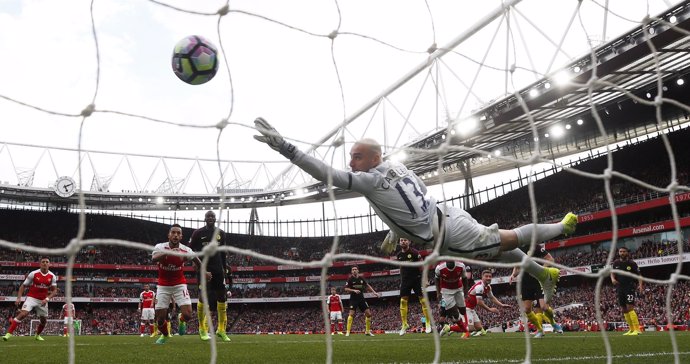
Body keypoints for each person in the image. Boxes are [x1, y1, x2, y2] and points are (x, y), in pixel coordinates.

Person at [253, 118, 577, 304]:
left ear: (375, 158)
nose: (351, 163)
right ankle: (541, 272)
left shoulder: (369, 181)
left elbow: (328, 175)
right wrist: (395, 231)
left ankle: (563, 226)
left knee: (508, 239)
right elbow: (404, 202)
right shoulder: (396, 167)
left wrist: (286, 148)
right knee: (497, 253)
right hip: (447, 215)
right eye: (351, 156)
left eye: (357, 156)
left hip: (446, 234)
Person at [152, 223, 211, 344]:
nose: (175, 235)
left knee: (188, 315)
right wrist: (169, 253)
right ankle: (165, 335)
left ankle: (181, 319)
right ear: (169, 235)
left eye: (178, 233)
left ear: (181, 236)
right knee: (160, 319)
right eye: (173, 232)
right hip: (163, 285)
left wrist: (204, 271)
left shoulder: (185, 250)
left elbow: (196, 259)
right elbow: (154, 258)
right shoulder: (160, 247)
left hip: (179, 284)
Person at [189, 210, 232, 342]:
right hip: (204, 268)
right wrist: (194, 263)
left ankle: (221, 330)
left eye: (213, 216)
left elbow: (223, 253)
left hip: (218, 269)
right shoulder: (198, 233)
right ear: (205, 218)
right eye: (208, 216)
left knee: (221, 298)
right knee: (203, 298)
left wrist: (224, 268)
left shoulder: (221, 233)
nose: (211, 218)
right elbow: (189, 250)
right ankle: (202, 329)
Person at [510, 243, 563, 338]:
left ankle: (553, 323)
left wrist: (542, 269)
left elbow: (550, 259)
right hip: (525, 282)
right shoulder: (517, 249)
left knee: (544, 307)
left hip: (539, 280)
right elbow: (517, 266)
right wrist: (513, 275)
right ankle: (539, 330)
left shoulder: (535, 246)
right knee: (527, 309)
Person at [3, 257, 58, 341]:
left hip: (43, 300)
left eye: (47, 262)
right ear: (40, 264)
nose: (45, 263)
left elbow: (54, 291)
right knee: (23, 314)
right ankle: (8, 334)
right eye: (43, 262)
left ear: (49, 264)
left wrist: (47, 299)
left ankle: (37, 335)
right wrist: (18, 298)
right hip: (31, 298)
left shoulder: (52, 276)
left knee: (43, 321)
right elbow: (23, 286)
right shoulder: (34, 273)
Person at [396, 238, 433, 335]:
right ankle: (404, 324)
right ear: (399, 243)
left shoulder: (415, 252)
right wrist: (401, 280)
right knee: (403, 301)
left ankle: (428, 323)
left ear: (409, 241)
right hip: (405, 281)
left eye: (405, 240)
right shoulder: (399, 255)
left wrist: (425, 279)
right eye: (401, 240)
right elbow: (401, 268)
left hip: (416, 279)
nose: (403, 242)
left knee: (423, 300)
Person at [611, 246, 644, 336]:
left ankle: (637, 329)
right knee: (624, 309)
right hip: (619, 288)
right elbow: (612, 273)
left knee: (630, 307)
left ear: (627, 253)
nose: (622, 253)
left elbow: (639, 275)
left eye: (624, 251)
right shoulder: (616, 263)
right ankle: (631, 329)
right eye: (620, 251)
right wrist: (613, 279)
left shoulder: (632, 263)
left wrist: (640, 287)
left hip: (629, 287)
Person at [465, 270, 510, 337]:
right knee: (470, 328)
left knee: (479, 328)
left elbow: (492, 298)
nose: (488, 278)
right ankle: (450, 328)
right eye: (486, 276)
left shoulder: (488, 287)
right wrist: (490, 309)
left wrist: (502, 305)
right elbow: (479, 302)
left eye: (490, 276)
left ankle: (469, 331)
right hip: (465, 307)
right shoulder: (479, 287)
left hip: (471, 308)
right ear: (482, 277)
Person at [435, 260, 470, 338]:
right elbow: (436, 279)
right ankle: (466, 331)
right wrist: (438, 292)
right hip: (446, 291)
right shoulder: (439, 268)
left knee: (463, 311)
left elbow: (464, 278)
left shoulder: (461, 266)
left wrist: (466, 293)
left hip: (458, 289)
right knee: (456, 314)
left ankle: (450, 323)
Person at [343, 266, 380, 336]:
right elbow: (346, 289)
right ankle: (348, 331)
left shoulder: (361, 278)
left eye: (355, 269)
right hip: (353, 299)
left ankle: (367, 331)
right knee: (351, 314)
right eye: (353, 270)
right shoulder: (350, 279)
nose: (354, 271)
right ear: (351, 271)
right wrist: (354, 290)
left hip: (361, 299)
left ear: (358, 271)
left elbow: (367, 286)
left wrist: (374, 292)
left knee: (369, 314)